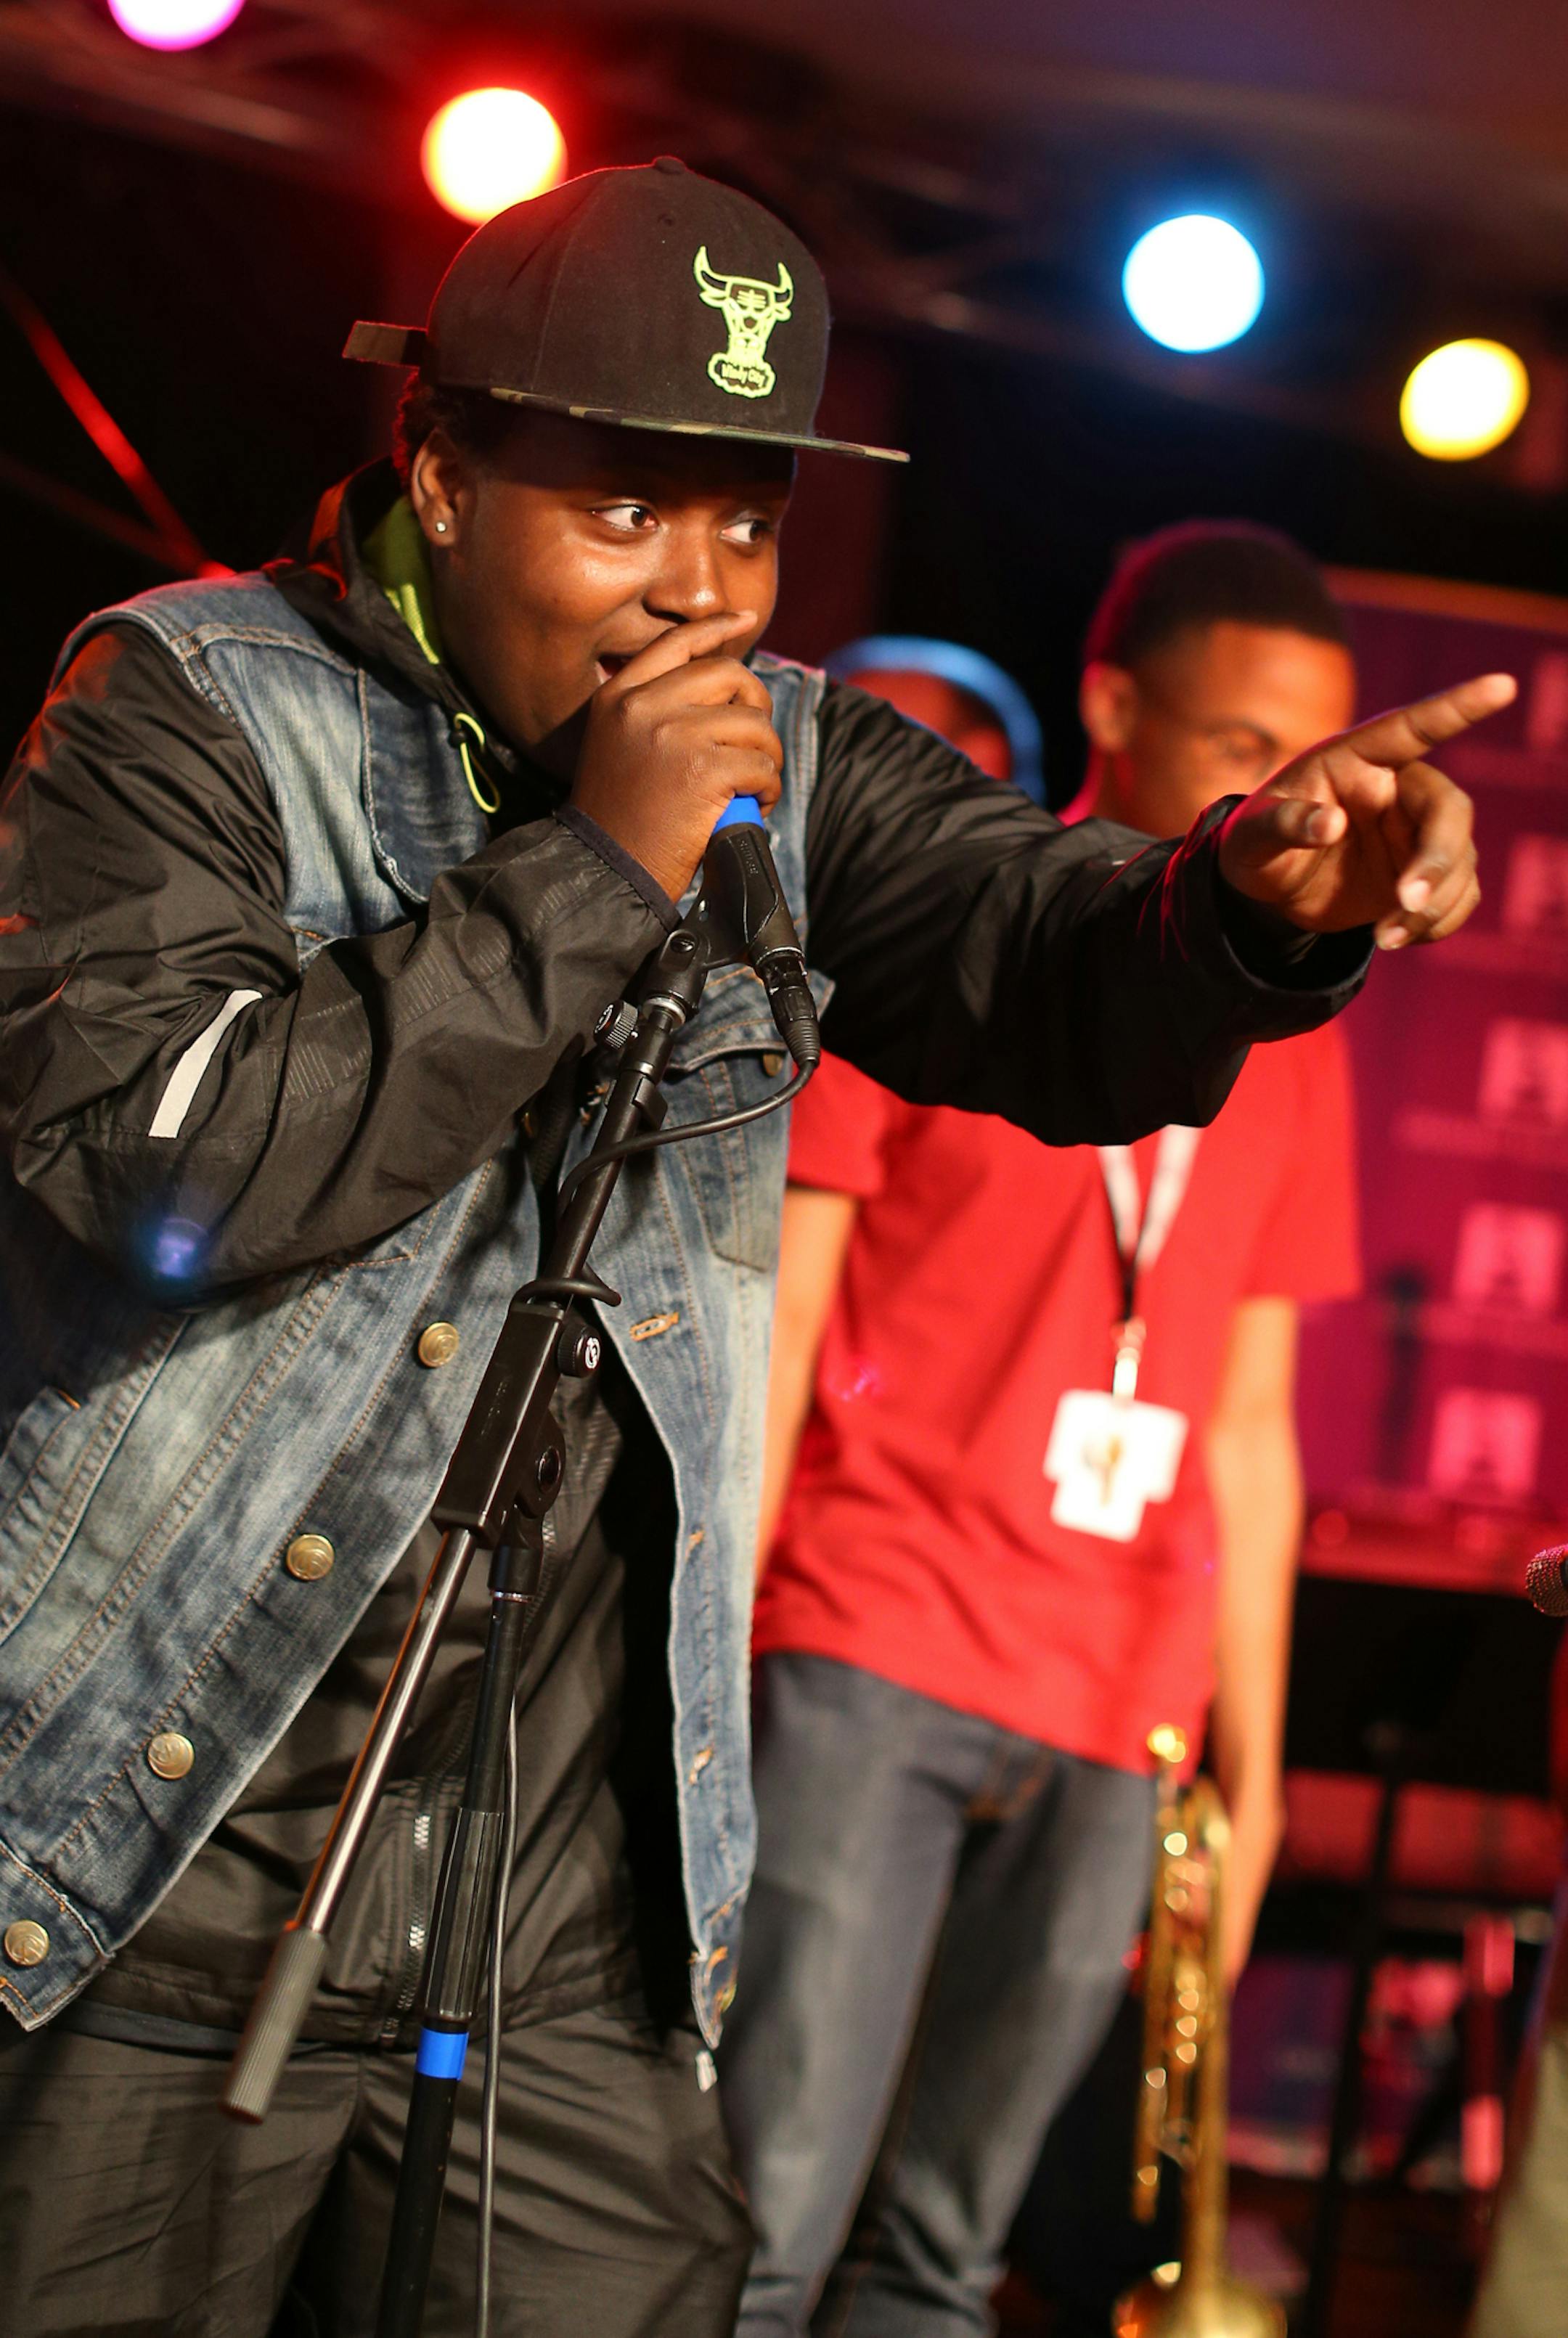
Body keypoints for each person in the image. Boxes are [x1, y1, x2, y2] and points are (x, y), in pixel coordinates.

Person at [0, 149, 1493, 2337]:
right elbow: (166, 1161)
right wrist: (590, 878)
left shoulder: (786, 770)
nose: (696, 593)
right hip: (164, 1861)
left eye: (749, 522)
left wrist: (1245, 903)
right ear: (439, 462)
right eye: (626, 510)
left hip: (552, 1902)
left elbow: (1033, 940)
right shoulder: (192, 707)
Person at [724, 525, 1371, 2338]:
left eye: (1312, 757)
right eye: (1246, 748)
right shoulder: (951, 939)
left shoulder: (1304, 1033)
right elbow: (786, 1311)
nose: (1290, 800)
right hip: (874, 1632)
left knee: (947, 2260)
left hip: (1117, 1706)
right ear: (1113, 708)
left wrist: (1251, 1773)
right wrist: (714, 1640)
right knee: (763, 2225)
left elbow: (1251, 1420)